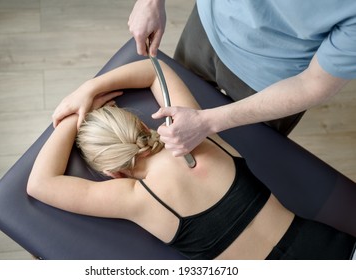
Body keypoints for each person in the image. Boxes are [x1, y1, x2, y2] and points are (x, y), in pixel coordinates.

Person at [27, 59, 355, 259]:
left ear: (112, 171)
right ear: (142, 125)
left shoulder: (133, 198)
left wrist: (72, 119)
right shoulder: (200, 135)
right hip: (333, 248)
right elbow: (154, 69)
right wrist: (89, 91)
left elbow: (40, 184)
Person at [128, 0, 356, 157]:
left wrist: (207, 122)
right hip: (207, 25)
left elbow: (312, 85)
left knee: (237, 155)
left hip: (272, 82)